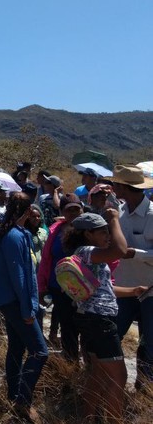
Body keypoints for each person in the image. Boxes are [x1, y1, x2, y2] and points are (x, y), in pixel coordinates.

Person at [60, 211, 130, 424]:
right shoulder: (89, 251)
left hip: (90, 317)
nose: (108, 235)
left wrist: (135, 290)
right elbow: (120, 250)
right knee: (119, 376)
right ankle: (113, 421)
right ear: (88, 234)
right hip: (100, 321)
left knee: (98, 374)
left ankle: (87, 418)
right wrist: (115, 219)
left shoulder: (85, 254)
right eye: (103, 232)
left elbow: (103, 288)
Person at [0, 193, 48, 423]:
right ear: (26, 212)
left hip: (10, 301)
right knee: (40, 352)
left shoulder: (10, 233)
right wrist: (27, 310)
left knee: (16, 348)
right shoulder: (13, 236)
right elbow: (20, 277)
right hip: (17, 303)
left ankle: (14, 394)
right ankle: (23, 401)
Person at [109, 165, 153, 391]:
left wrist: (135, 253)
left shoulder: (152, 215)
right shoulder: (122, 212)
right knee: (112, 335)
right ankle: (111, 383)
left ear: (125, 188)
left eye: (116, 184)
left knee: (149, 344)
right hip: (125, 287)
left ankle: (144, 388)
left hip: (150, 292)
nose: (113, 187)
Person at [36, 193, 84, 359]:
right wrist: (42, 287)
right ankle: (71, 362)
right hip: (59, 288)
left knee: (85, 327)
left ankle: (89, 365)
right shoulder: (55, 231)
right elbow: (46, 260)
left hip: (86, 290)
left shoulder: (90, 230)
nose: (73, 213)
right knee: (67, 327)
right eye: (69, 210)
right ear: (63, 211)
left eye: (76, 209)